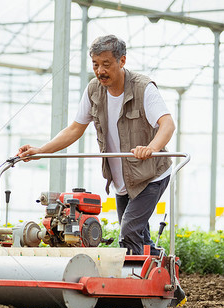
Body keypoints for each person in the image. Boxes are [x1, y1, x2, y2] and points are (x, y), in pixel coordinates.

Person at [17, 35, 175, 256]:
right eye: (95, 64)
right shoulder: (93, 90)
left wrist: (152, 147)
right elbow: (75, 129)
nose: (100, 70)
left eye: (106, 64)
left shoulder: (143, 88)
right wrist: (40, 151)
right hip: (122, 180)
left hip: (150, 175)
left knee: (129, 231)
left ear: (122, 61)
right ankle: (164, 277)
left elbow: (167, 124)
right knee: (138, 236)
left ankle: (131, 286)